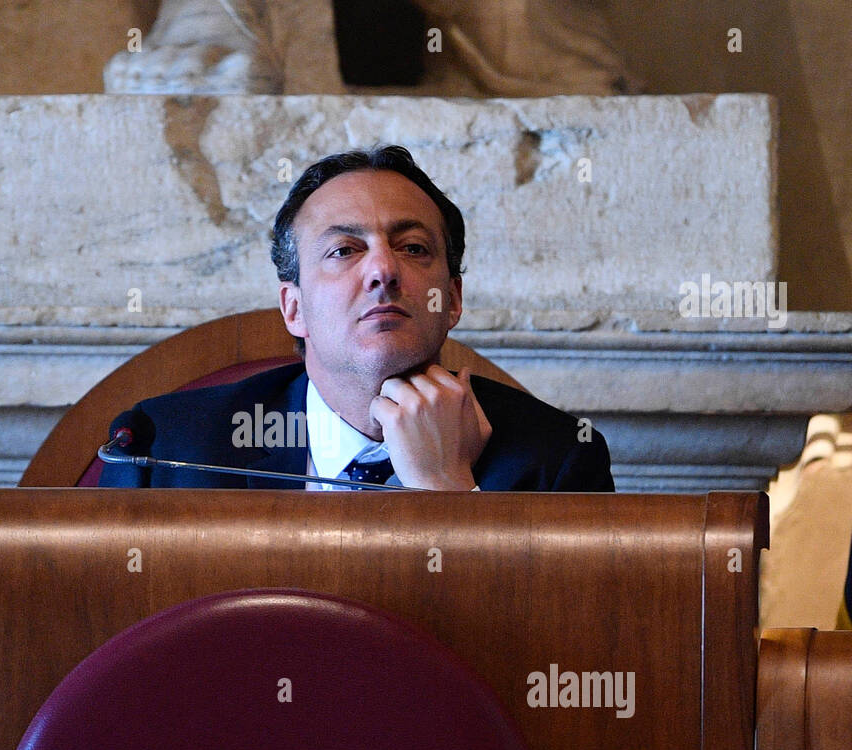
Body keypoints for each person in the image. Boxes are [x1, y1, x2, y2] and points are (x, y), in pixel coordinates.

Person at [99, 144, 614, 492]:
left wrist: (445, 489)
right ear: (294, 308)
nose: (383, 270)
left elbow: (534, 647)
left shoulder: (558, 461)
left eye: (412, 248)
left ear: (452, 299)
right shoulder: (164, 447)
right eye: (344, 251)